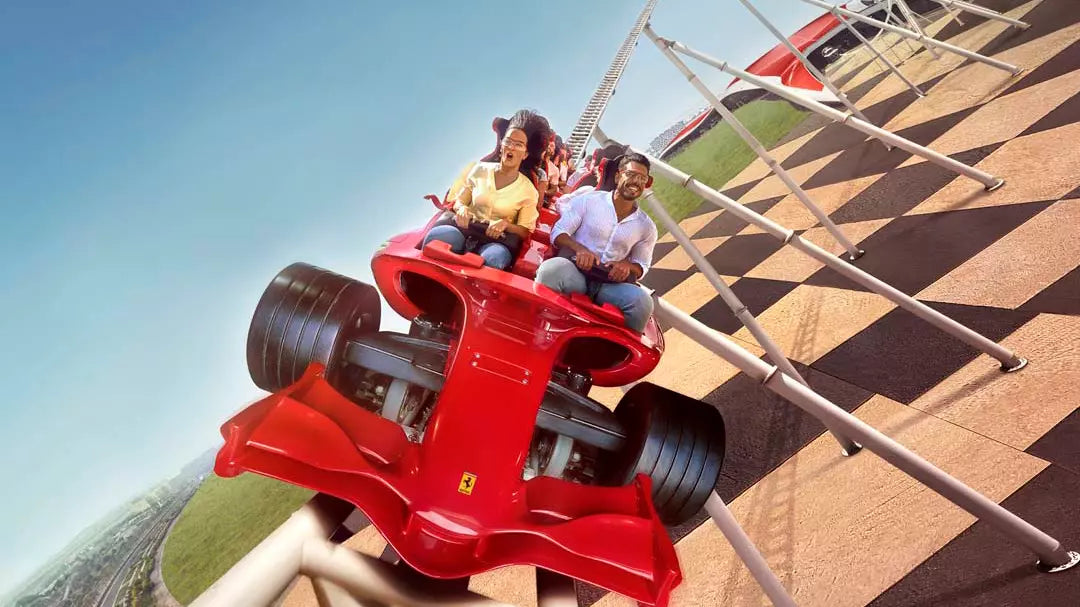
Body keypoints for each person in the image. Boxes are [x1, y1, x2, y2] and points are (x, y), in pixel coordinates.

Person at [535, 152, 658, 332]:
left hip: (609, 285)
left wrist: (627, 266)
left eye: (642, 178)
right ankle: (541, 330)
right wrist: (580, 249)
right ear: (617, 176)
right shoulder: (588, 201)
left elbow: (641, 265)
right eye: (631, 175)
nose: (636, 182)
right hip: (576, 272)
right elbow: (559, 232)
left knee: (642, 302)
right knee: (550, 271)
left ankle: (613, 356)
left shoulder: (646, 227)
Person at [423, 110, 551, 270]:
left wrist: (505, 225)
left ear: (525, 154)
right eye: (508, 141)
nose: (511, 147)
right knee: (438, 238)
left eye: (518, 145)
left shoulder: (528, 190)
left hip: (496, 241)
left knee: (493, 260)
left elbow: (525, 230)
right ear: (502, 144)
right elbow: (459, 202)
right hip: (464, 228)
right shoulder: (480, 169)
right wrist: (462, 209)